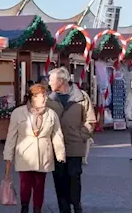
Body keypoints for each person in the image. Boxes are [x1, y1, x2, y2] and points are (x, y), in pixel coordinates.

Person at [4, 84, 66, 213]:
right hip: (25, 154)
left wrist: (60, 155)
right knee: (25, 184)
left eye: (45, 96)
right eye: (41, 96)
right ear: (32, 97)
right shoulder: (18, 112)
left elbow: (57, 135)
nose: (44, 99)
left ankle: (37, 210)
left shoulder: (51, 114)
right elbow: (11, 136)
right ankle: (24, 208)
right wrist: (8, 156)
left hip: (44, 154)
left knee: (39, 185)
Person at [46, 67, 96, 213]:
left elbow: (90, 120)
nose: (49, 83)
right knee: (59, 178)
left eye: (51, 80)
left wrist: (82, 135)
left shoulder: (81, 97)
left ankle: (76, 204)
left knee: (74, 177)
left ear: (61, 81)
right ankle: (64, 208)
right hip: (56, 147)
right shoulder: (49, 99)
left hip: (75, 145)